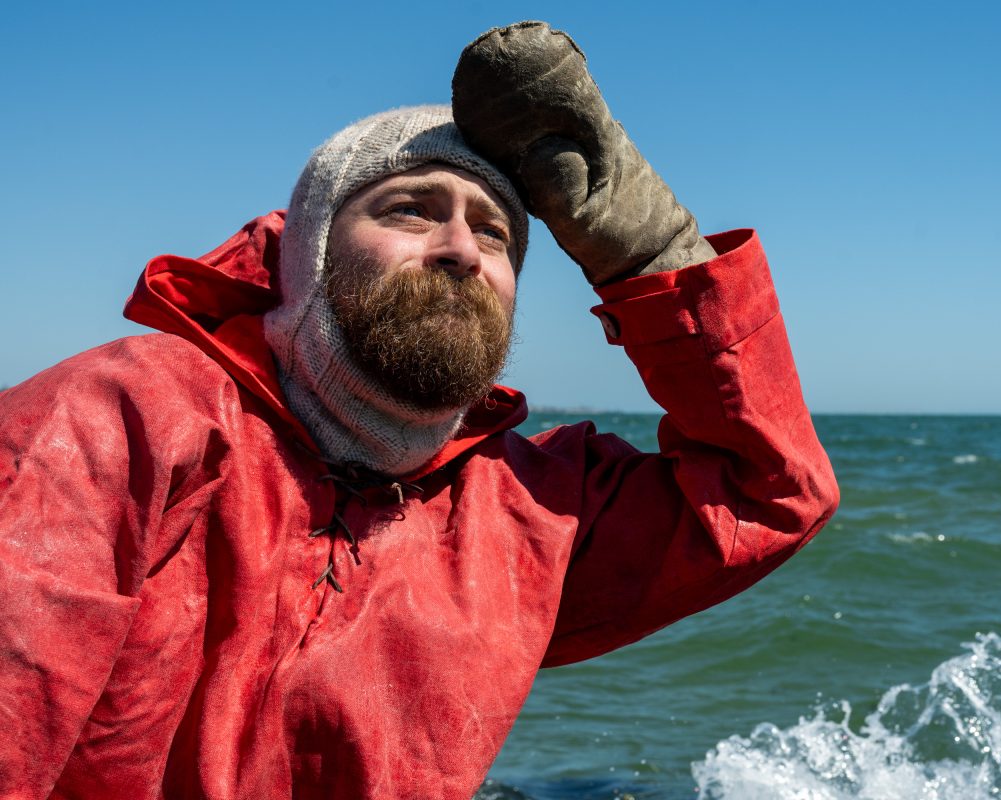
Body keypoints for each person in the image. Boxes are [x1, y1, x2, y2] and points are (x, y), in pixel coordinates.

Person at [0, 21, 838, 800]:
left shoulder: (530, 515)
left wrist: (646, 252)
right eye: (411, 209)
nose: (461, 250)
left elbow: (767, 493)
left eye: (497, 232)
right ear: (310, 250)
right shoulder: (122, 416)